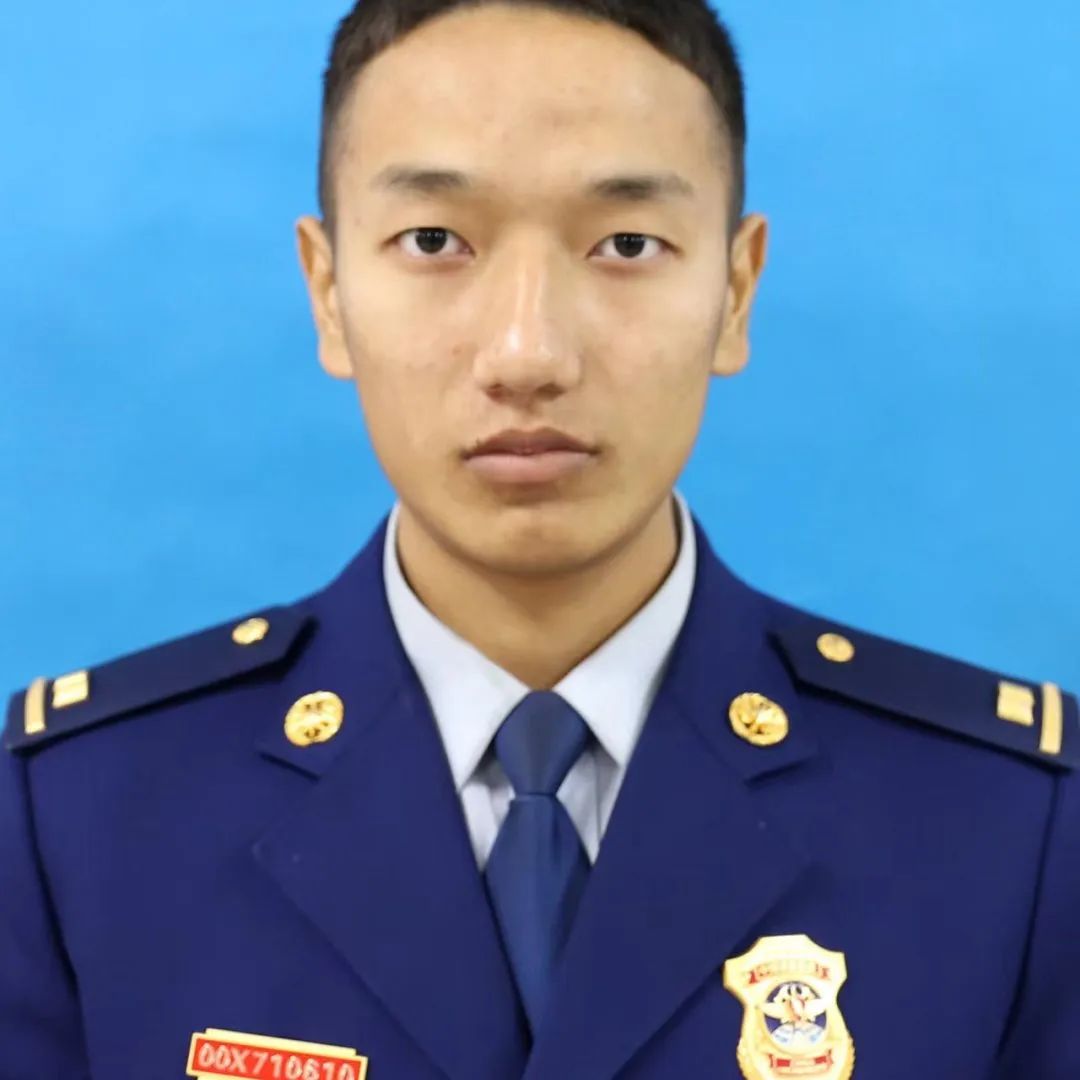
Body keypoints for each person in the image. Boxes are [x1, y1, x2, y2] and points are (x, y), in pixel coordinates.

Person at [2, 2, 1076, 1078]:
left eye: (627, 244)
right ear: (328, 292)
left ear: (735, 291)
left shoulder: (1011, 830)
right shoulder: (73, 822)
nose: (527, 354)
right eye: (435, 241)